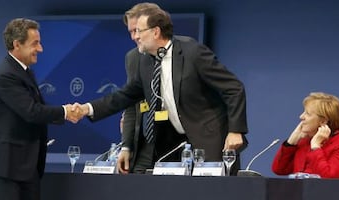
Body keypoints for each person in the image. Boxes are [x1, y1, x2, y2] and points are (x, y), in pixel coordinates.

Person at [76, 7, 248, 175]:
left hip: (211, 139)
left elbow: (233, 88)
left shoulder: (192, 52)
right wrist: (87, 108)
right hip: (174, 145)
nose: (135, 37)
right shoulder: (145, 62)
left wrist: (235, 131)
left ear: (155, 32)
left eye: (139, 31)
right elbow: (125, 96)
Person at [0, 18, 83, 200]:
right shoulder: (5, 75)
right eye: (35, 44)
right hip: (5, 167)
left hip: (24, 166)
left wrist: (68, 113)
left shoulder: (24, 72)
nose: (40, 49)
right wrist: (65, 111)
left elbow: (39, 108)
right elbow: (31, 112)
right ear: (17, 44)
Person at [117, 2, 161, 174]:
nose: (134, 37)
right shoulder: (133, 58)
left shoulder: (180, 52)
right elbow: (130, 104)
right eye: (130, 32)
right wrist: (126, 146)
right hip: (143, 146)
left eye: (137, 31)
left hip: (174, 146)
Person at [272, 92, 339, 178]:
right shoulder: (305, 140)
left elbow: (330, 179)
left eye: (307, 114)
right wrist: (290, 142)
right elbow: (279, 169)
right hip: (299, 191)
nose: (301, 117)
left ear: (323, 121)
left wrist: (315, 148)